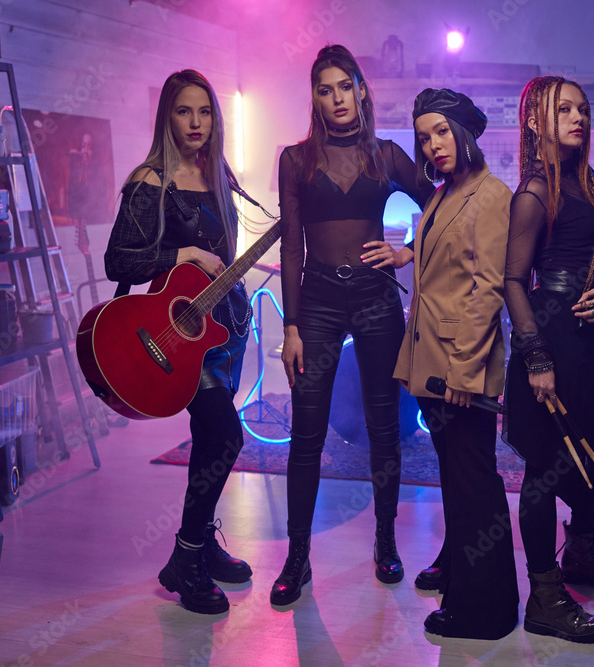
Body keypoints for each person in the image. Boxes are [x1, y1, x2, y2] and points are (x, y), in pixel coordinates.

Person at [271, 45, 432, 605]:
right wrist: (290, 327)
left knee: (384, 427)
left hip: (374, 298)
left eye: (345, 86)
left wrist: (407, 251)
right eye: (325, 88)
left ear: (361, 90)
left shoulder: (386, 155)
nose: (337, 98)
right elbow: (292, 246)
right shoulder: (295, 160)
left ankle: (386, 542)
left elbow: (437, 203)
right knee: (307, 433)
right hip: (314, 300)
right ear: (314, 97)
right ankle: (298, 558)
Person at [104, 69, 253, 615]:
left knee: (210, 446)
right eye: (184, 111)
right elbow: (118, 260)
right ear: (168, 116)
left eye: (205, 111)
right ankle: (184, 559)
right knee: (227, 438)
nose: (196, 123)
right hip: (180, 333)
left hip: (224, 333)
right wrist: (183, 256)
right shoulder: (151, 180)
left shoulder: (218, 174)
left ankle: (202, 542)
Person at [503, 75, 594, 642]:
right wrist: (535, 356)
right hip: (549, 340)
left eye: (582, 109)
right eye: (565, 109)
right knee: (544, 466)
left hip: (583, 344)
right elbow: (511, 281)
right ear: (537, 120)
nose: (578, 117)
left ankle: (580, 551)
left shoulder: (588, 182)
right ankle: (544, 594)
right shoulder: (535, 190)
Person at [394, 88, 519, 640]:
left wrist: (467, 372)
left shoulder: (492, 197)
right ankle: (466, 595)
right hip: (430, 362)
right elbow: (441, 262)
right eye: (424, 137)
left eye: (441, 131)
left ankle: (487, 611)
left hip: (460, 368)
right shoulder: (445, 194)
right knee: (458, 485)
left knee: (476, 485)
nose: (433, 144)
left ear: (465, 131)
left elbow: (487, 289)